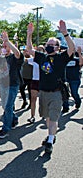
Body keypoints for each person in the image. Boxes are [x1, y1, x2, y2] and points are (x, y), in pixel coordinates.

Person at [26, 20, 75, 154]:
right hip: (43, 93)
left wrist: (65, 34)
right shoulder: (42, 57)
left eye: (52, 45)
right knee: (48, 119)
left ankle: (49, 141)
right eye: (48, 44)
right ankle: (51, 135)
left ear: (58, 47)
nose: (49, 46)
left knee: (53, 119)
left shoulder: (62, 57)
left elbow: (72, 49)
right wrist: (29, 35)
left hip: (56, 93)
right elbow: (29, 50)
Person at [0, 32, 24, 139]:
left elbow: (18, 53)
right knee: (5, 106)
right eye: (3, 46)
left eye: (6, 46)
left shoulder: (14, 57)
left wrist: (7, 41)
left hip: (12, 85)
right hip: (2, 85)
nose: (4, 48)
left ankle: (5, 128)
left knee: (8, 106)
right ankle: (14, 118)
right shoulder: (0, 57)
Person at [26, 46, 45, 124]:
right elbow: (24, 59)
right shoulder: (33, 60)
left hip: (43, 81)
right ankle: (32, 116)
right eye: (37, 50)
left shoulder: (46, 59)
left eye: (41, 50)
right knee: (33, 99)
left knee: (43, 100)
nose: (39, 52)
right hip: (34, 80)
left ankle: (44, 113)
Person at [63, 46, 83, 111]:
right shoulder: (64, 59)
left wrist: (79, 53)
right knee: (64, 93)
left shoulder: (76, 59)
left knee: (74, 93)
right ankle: (65, 107)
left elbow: (81, 63)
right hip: (65, 79)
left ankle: (78, 102)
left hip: (75, 79)